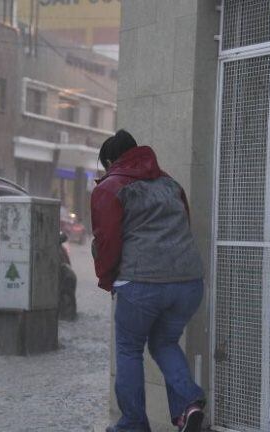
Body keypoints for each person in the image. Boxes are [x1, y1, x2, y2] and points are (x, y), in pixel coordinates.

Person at [91, 130, 205, 432]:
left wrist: (107, 279)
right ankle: (188, 406)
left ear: (111, 161)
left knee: (129, 348)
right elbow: (185, 226)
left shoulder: (111, 187)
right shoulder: (171, 184)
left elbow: (107, 241)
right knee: (164, 341)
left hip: (143, 282)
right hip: (189, 282)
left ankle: (132, 424)